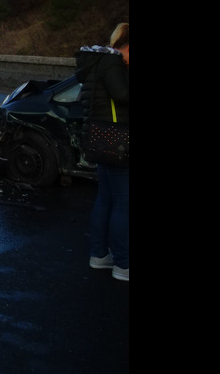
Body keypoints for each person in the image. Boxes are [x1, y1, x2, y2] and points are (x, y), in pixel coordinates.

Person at [75, 22, 129, 282]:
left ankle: (99, 255)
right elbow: (123, 96)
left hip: (100, 140)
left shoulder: (96, 64)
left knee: (106, 199)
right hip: (118, 142)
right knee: (123, 204)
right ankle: (123, 265)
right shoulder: (112, 64)